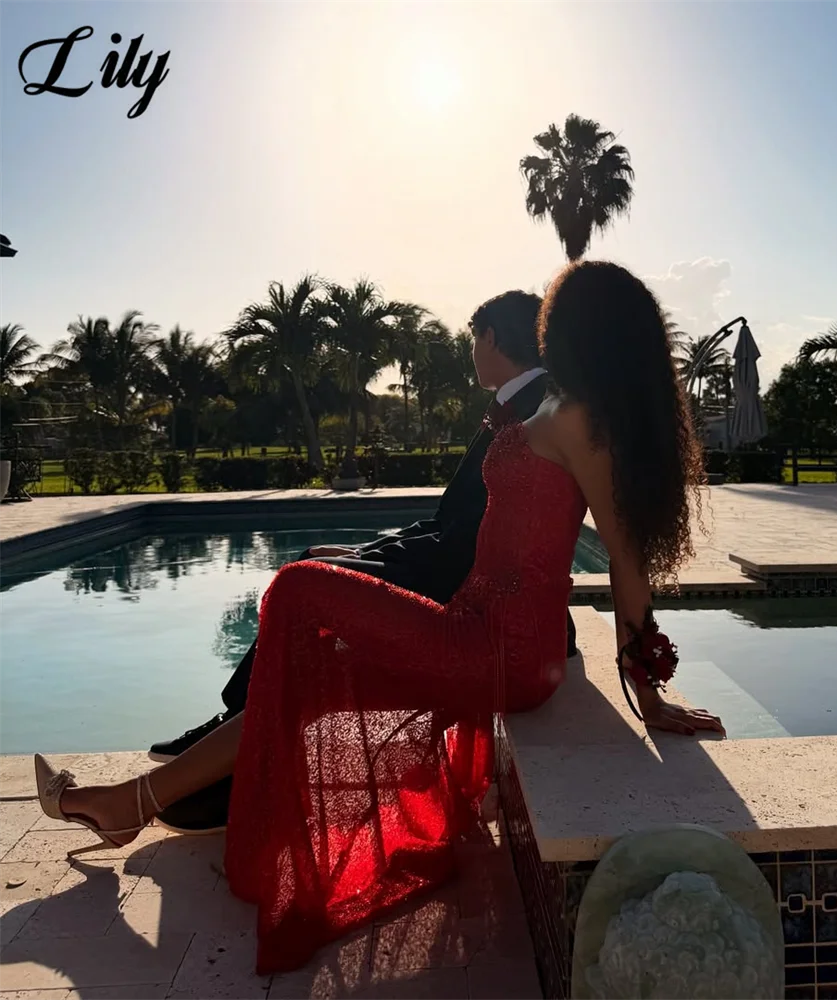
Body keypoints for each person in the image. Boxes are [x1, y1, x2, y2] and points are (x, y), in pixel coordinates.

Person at [35, 260, 725, 976]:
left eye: (557, 310)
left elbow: (625, 556)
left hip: (501, 649)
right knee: (304, 678)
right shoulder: (564, 406)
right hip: (476, 627)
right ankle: (130, 804)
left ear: (580, 325)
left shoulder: (583, 421)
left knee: (300, 587)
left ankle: (166, 803)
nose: (546, 324)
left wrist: (647, 688)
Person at [148, 289, 577, 834]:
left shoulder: (536, 411)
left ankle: (236, 753)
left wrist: (369, 559)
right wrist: (367, 551)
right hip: (453, 567)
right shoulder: (523, 403)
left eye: (474, 339)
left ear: (491, 337)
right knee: (312, 564)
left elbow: (467, 541)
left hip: (465, 588)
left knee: (303, 588)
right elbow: (453, 522)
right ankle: (234, 733)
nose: (472, 352)